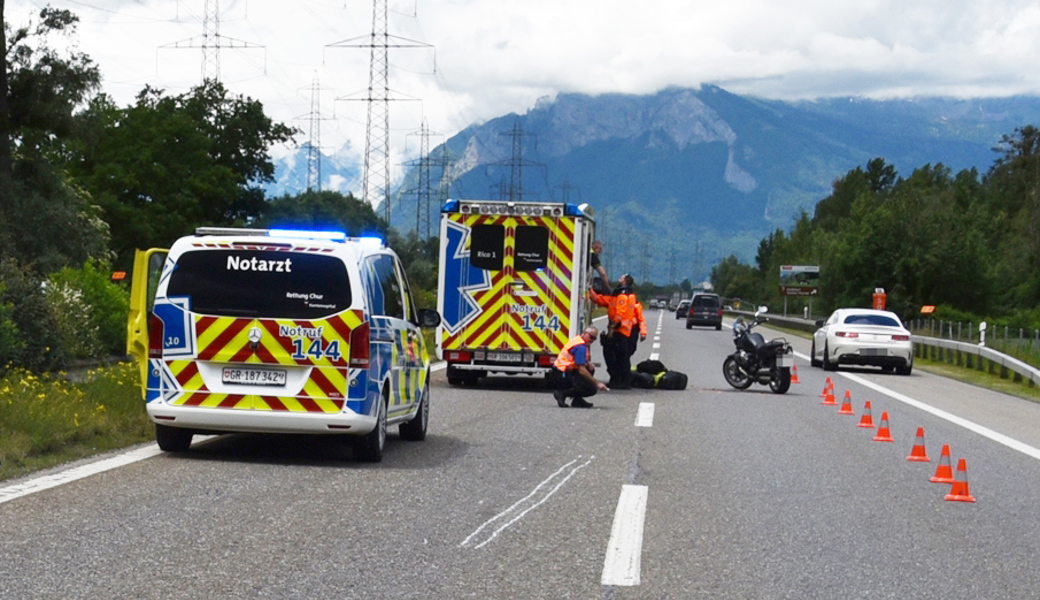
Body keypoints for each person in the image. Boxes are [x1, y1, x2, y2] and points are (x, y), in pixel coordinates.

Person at [589, 274, 648, 389]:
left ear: (625, 281)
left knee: (621, 357)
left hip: (622, 331)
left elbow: (621, 314)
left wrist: (612, 327)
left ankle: (622, 381)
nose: (619, 278)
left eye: (621, 277)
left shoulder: (623, 296)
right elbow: (603, 300)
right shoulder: (619, 295)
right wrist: (590, 292)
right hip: (621, 331)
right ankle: (618, 379)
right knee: (617, 356)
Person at [549, 326, 608, 408]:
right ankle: (562, 393)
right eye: (591, 337)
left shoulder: (579, 340)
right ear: (585, 333)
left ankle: (577, 400)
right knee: (591, 389)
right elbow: (581, 370)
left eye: (594, 338)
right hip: (561, 374)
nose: (592, 340)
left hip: (562, 371)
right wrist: (597, 383)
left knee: (590, 370)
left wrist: (588, 363)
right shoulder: (580, 347)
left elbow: (577, 359)